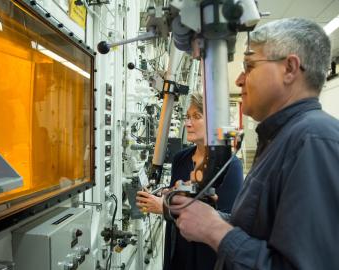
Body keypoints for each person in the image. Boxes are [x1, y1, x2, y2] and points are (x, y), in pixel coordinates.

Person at [171, 18, 339, 270]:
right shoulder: (281, 139)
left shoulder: (313, 140)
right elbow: (264, 233)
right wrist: (212, 218)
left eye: (249, 66)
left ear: (290, 69)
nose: (239, 80)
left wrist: (215, 231)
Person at [136, 92, 244, 270]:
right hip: (178, 253)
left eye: (196, 117)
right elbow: (177, 195)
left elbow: (230, 220)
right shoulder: (181, 159)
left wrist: (165, 207)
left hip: (208, 257)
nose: (188, 123)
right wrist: (163, 194)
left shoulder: (230, 166)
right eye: (187, 117)